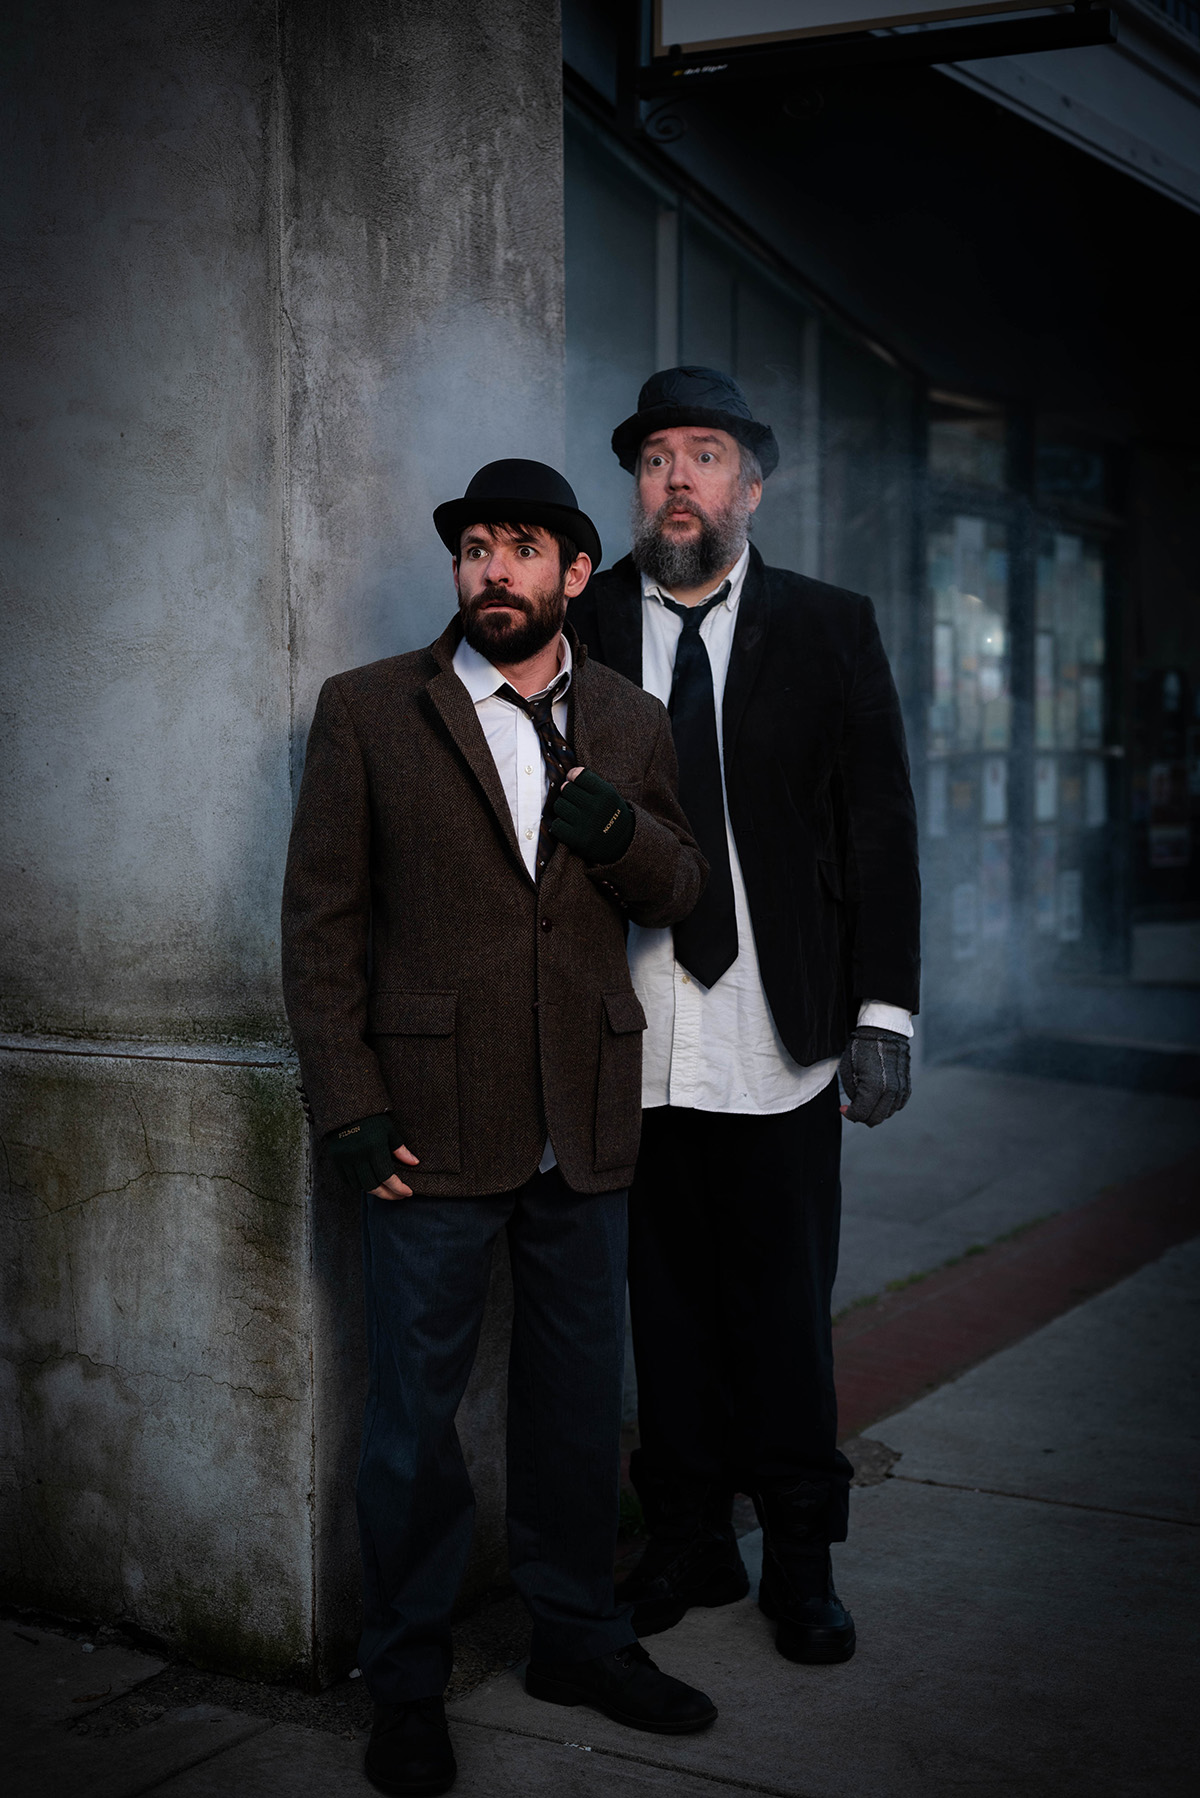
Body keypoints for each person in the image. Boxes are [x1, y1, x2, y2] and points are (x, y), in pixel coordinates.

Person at [281, 459, 714, 1797]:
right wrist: (349, 1102)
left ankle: (578, 1634)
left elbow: (685, 883)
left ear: (575, 574)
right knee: (413, 1422)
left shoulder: (634, 720)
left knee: (579, 1407)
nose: (491, 571)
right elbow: (322, 924)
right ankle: (406, 1677)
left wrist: (620, 835)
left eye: (520, 548)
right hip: (424, 1132)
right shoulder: (368, 711)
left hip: (581, 1124)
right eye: (474, 548)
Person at [570, 368, 920, 1668]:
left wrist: (886, 1008)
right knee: (663, 1312)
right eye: (657, 456)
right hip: (639, 1034)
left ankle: (804, 1557)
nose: (678, 478)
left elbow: (876, 827)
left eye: (704, 454)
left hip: (782, 1042)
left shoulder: (830, 628)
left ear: (750, 485)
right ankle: (688, 1539)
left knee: (781, 1310)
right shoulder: (589, 620)